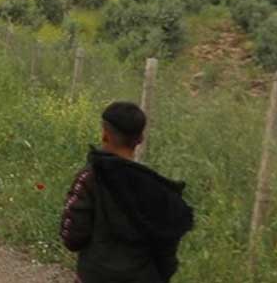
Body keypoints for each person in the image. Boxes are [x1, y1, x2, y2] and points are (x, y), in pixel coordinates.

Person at [60, 102, 195, 283]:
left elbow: (73, 237)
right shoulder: (157, 189)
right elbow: (167, 250)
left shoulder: (90, 178)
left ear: (105, 134)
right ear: (140, 139)